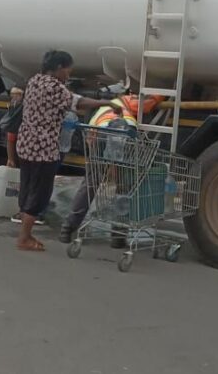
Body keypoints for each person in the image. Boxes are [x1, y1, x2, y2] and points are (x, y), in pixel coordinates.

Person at [15, 50, 119, 251]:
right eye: (68, 71)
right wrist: (107, 103)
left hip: (26, 144)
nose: (69, 75)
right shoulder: (54, 87)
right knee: (39, 193)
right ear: (60, 68)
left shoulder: (34, 80)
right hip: (43, 149)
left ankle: (24, 233)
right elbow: (78, 102)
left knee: (28, 188)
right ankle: (24, 237)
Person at [59, 94, 164, 245]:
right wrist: (161, 97)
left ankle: (68, 227)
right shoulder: (125, 101)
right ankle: (119, 235)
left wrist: (101, 166)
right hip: (126, 132)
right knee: (123, 185)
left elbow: (91, 140)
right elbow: (147, 104)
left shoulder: (98, 113)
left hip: (100, 131)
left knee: (91, 181)